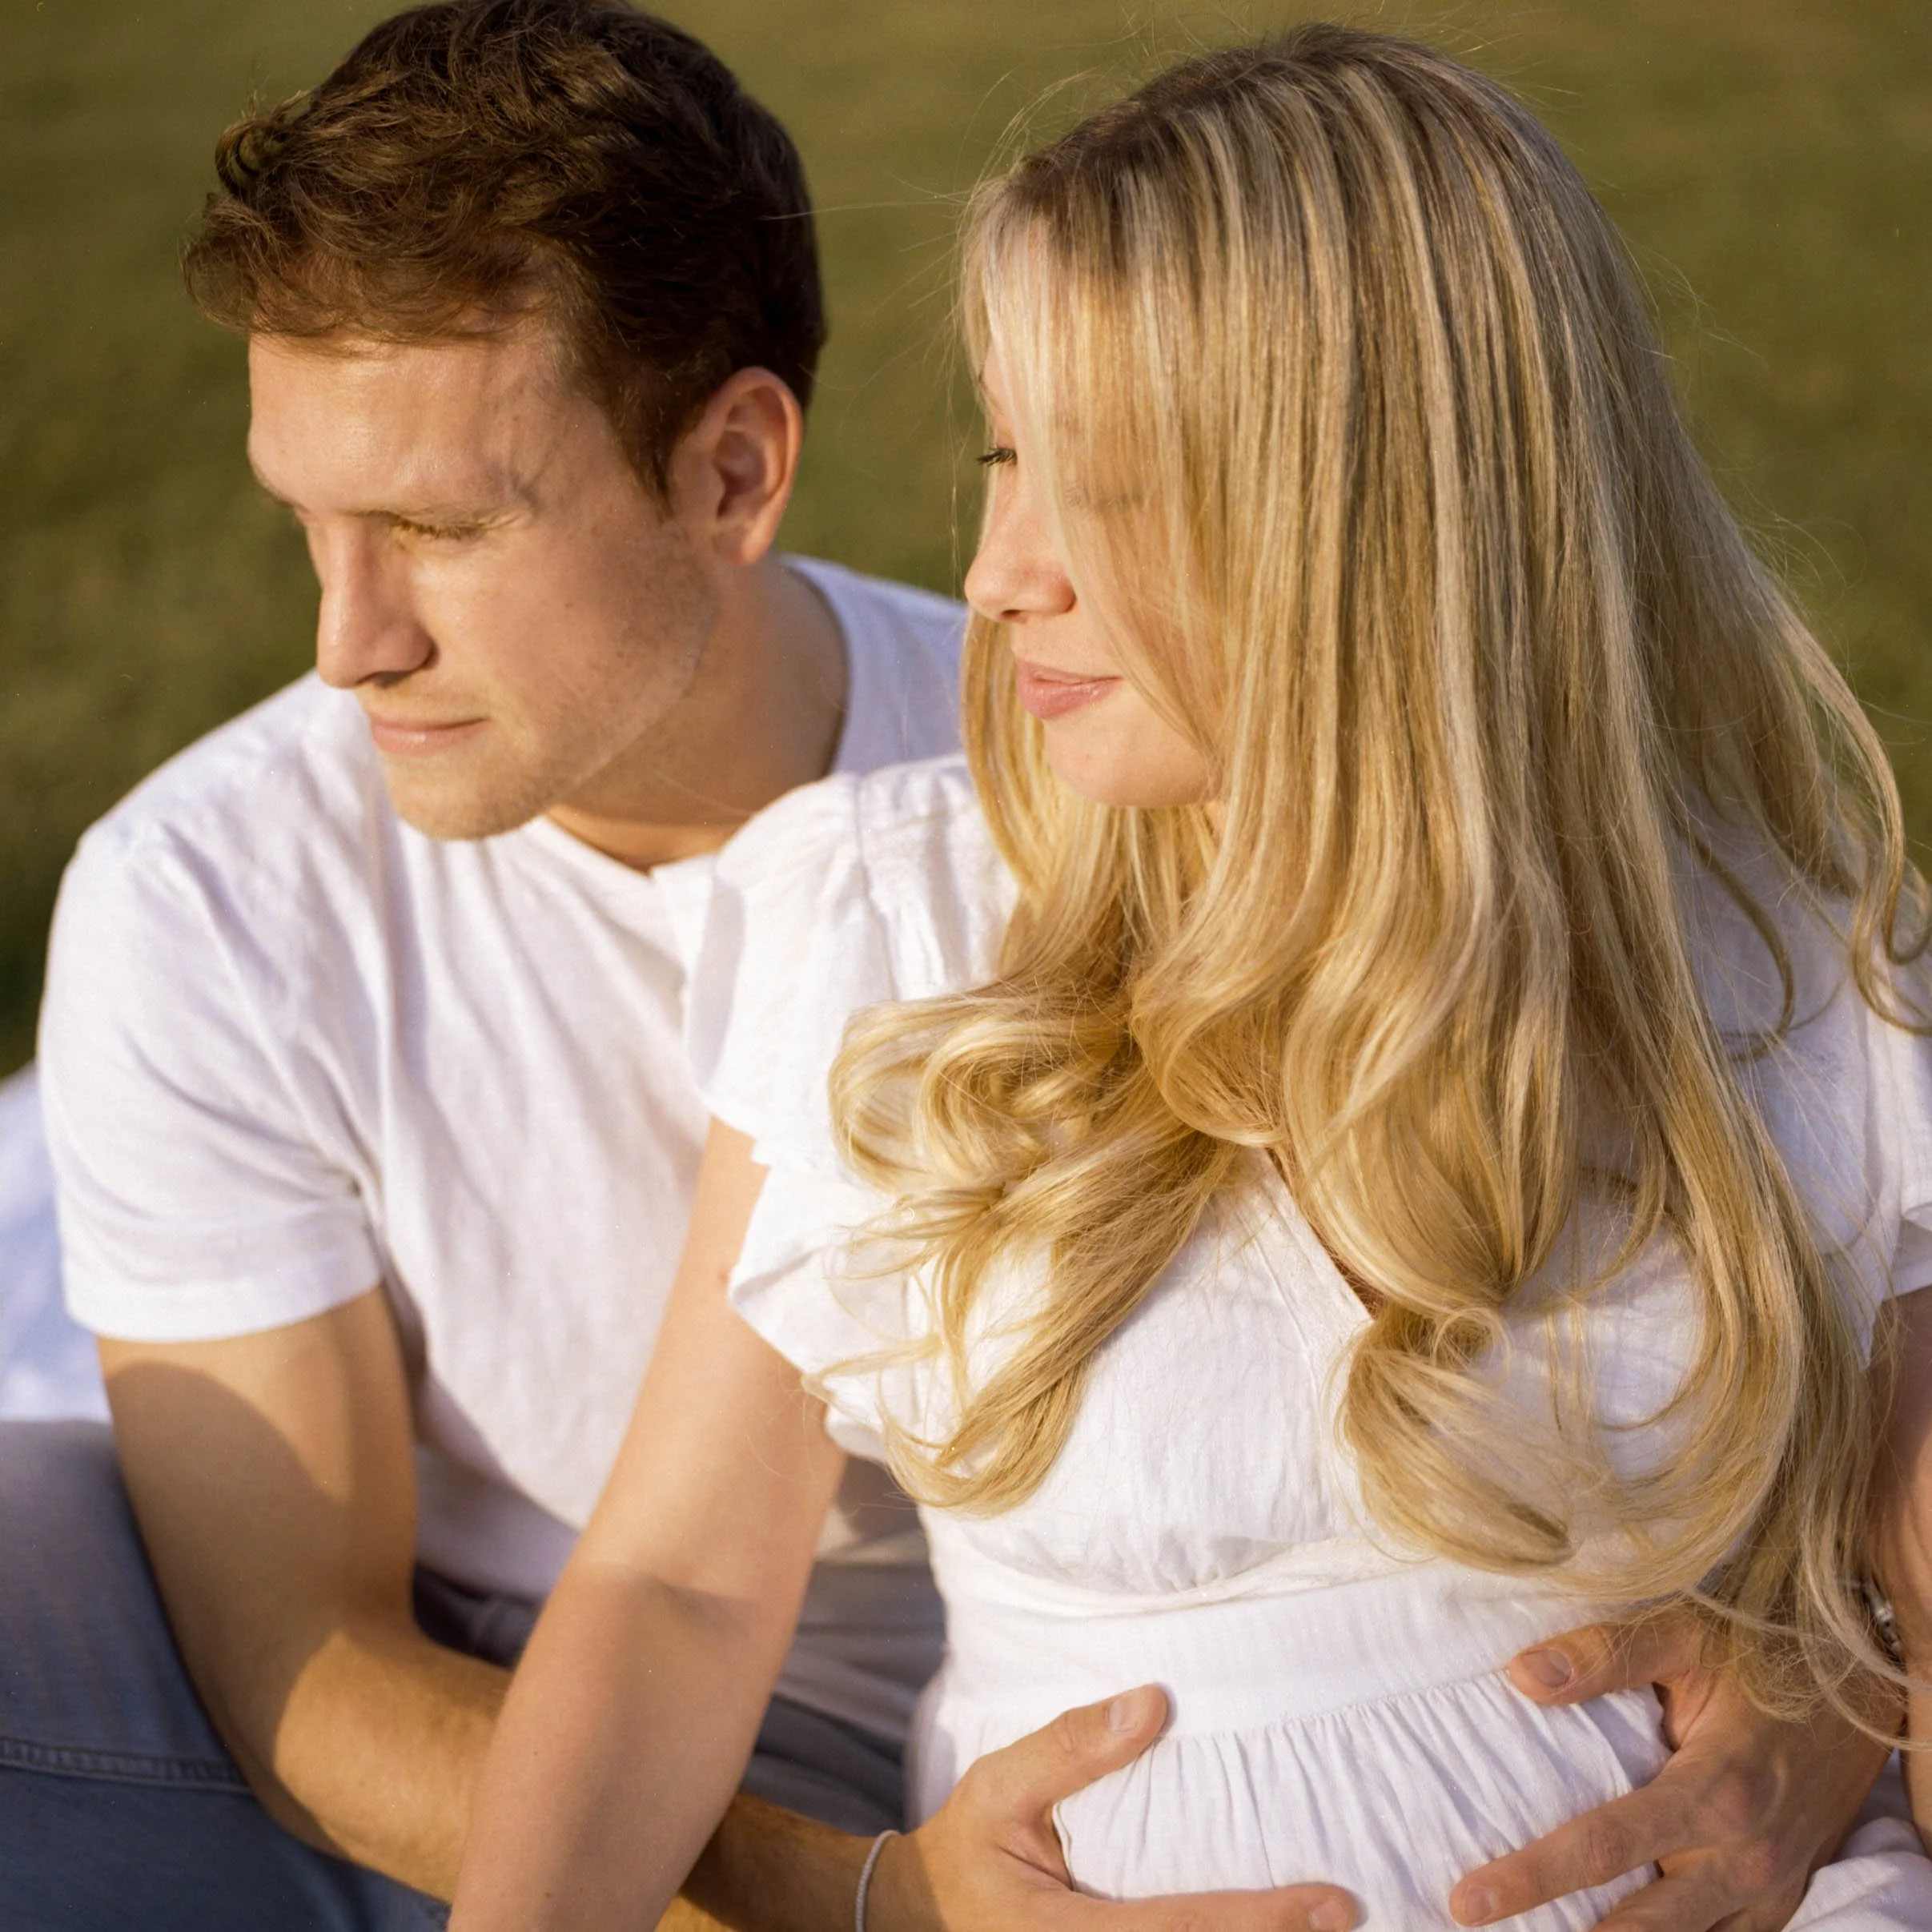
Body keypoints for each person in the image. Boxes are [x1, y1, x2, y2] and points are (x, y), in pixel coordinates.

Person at [448, 26, 1932, 1932]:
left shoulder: (1783, 968)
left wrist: (1853, 1697)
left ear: (1387, 517)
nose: (994, 574)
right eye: (1003, 457)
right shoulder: (901, 934)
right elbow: (673, 1595)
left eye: (1110, 488)